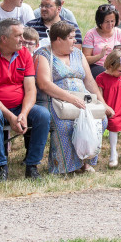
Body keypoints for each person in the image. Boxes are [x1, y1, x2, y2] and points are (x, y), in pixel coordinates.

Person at [0, 18, 50, 180]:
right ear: (4, 39)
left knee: (43, 114)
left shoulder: (24, 54)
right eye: (18, 36)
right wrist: (10, 116)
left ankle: (32, 166)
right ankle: (1, 167)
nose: (23, 39)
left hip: (17, 107)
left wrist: (23, 114)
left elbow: (31, 90)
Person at [35, 21, 108, 176]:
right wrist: (69, 98)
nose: (75, 41)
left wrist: (103, 103)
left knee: (101, 120)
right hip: (55, 102)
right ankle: (64, 168)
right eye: (71, 38)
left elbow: (89, 80)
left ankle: (84, 162)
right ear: (58, 40)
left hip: (82, 100)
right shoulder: (43, 55)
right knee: (66, 125)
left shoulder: (77, 53)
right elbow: (44, 84)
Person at [82, 3, 121, 77]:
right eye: (107, 21)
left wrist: (118, 55)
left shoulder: (120, 33)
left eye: (112, 21)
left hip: (116, 67)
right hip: (97, 67)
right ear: (100, 22)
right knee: (105, 74)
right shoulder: (91, 34)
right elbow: (85, 59)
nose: (110, 24)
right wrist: (100, 56)